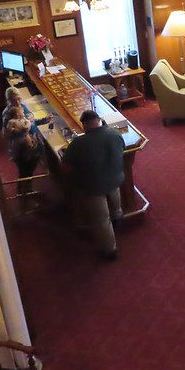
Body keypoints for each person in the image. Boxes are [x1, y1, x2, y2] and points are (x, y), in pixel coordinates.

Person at [62, 109, 125, 260]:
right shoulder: (115, 134)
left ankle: (110, 251)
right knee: (113, 192)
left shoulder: (78, 143)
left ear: (84, 125)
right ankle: (118, 215)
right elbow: (122, 149)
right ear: (99, 120)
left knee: (102, 219)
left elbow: (66, 166)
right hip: (116, 178)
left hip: (93, 186)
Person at [4, 112, 43, 205]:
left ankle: (22, 193)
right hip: (25, 159)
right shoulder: (21, 136)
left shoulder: (19, 134)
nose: (23, 117)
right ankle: (26, 197)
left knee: (24, 176)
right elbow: (26, 127)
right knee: (26, 176)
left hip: (25, 158)